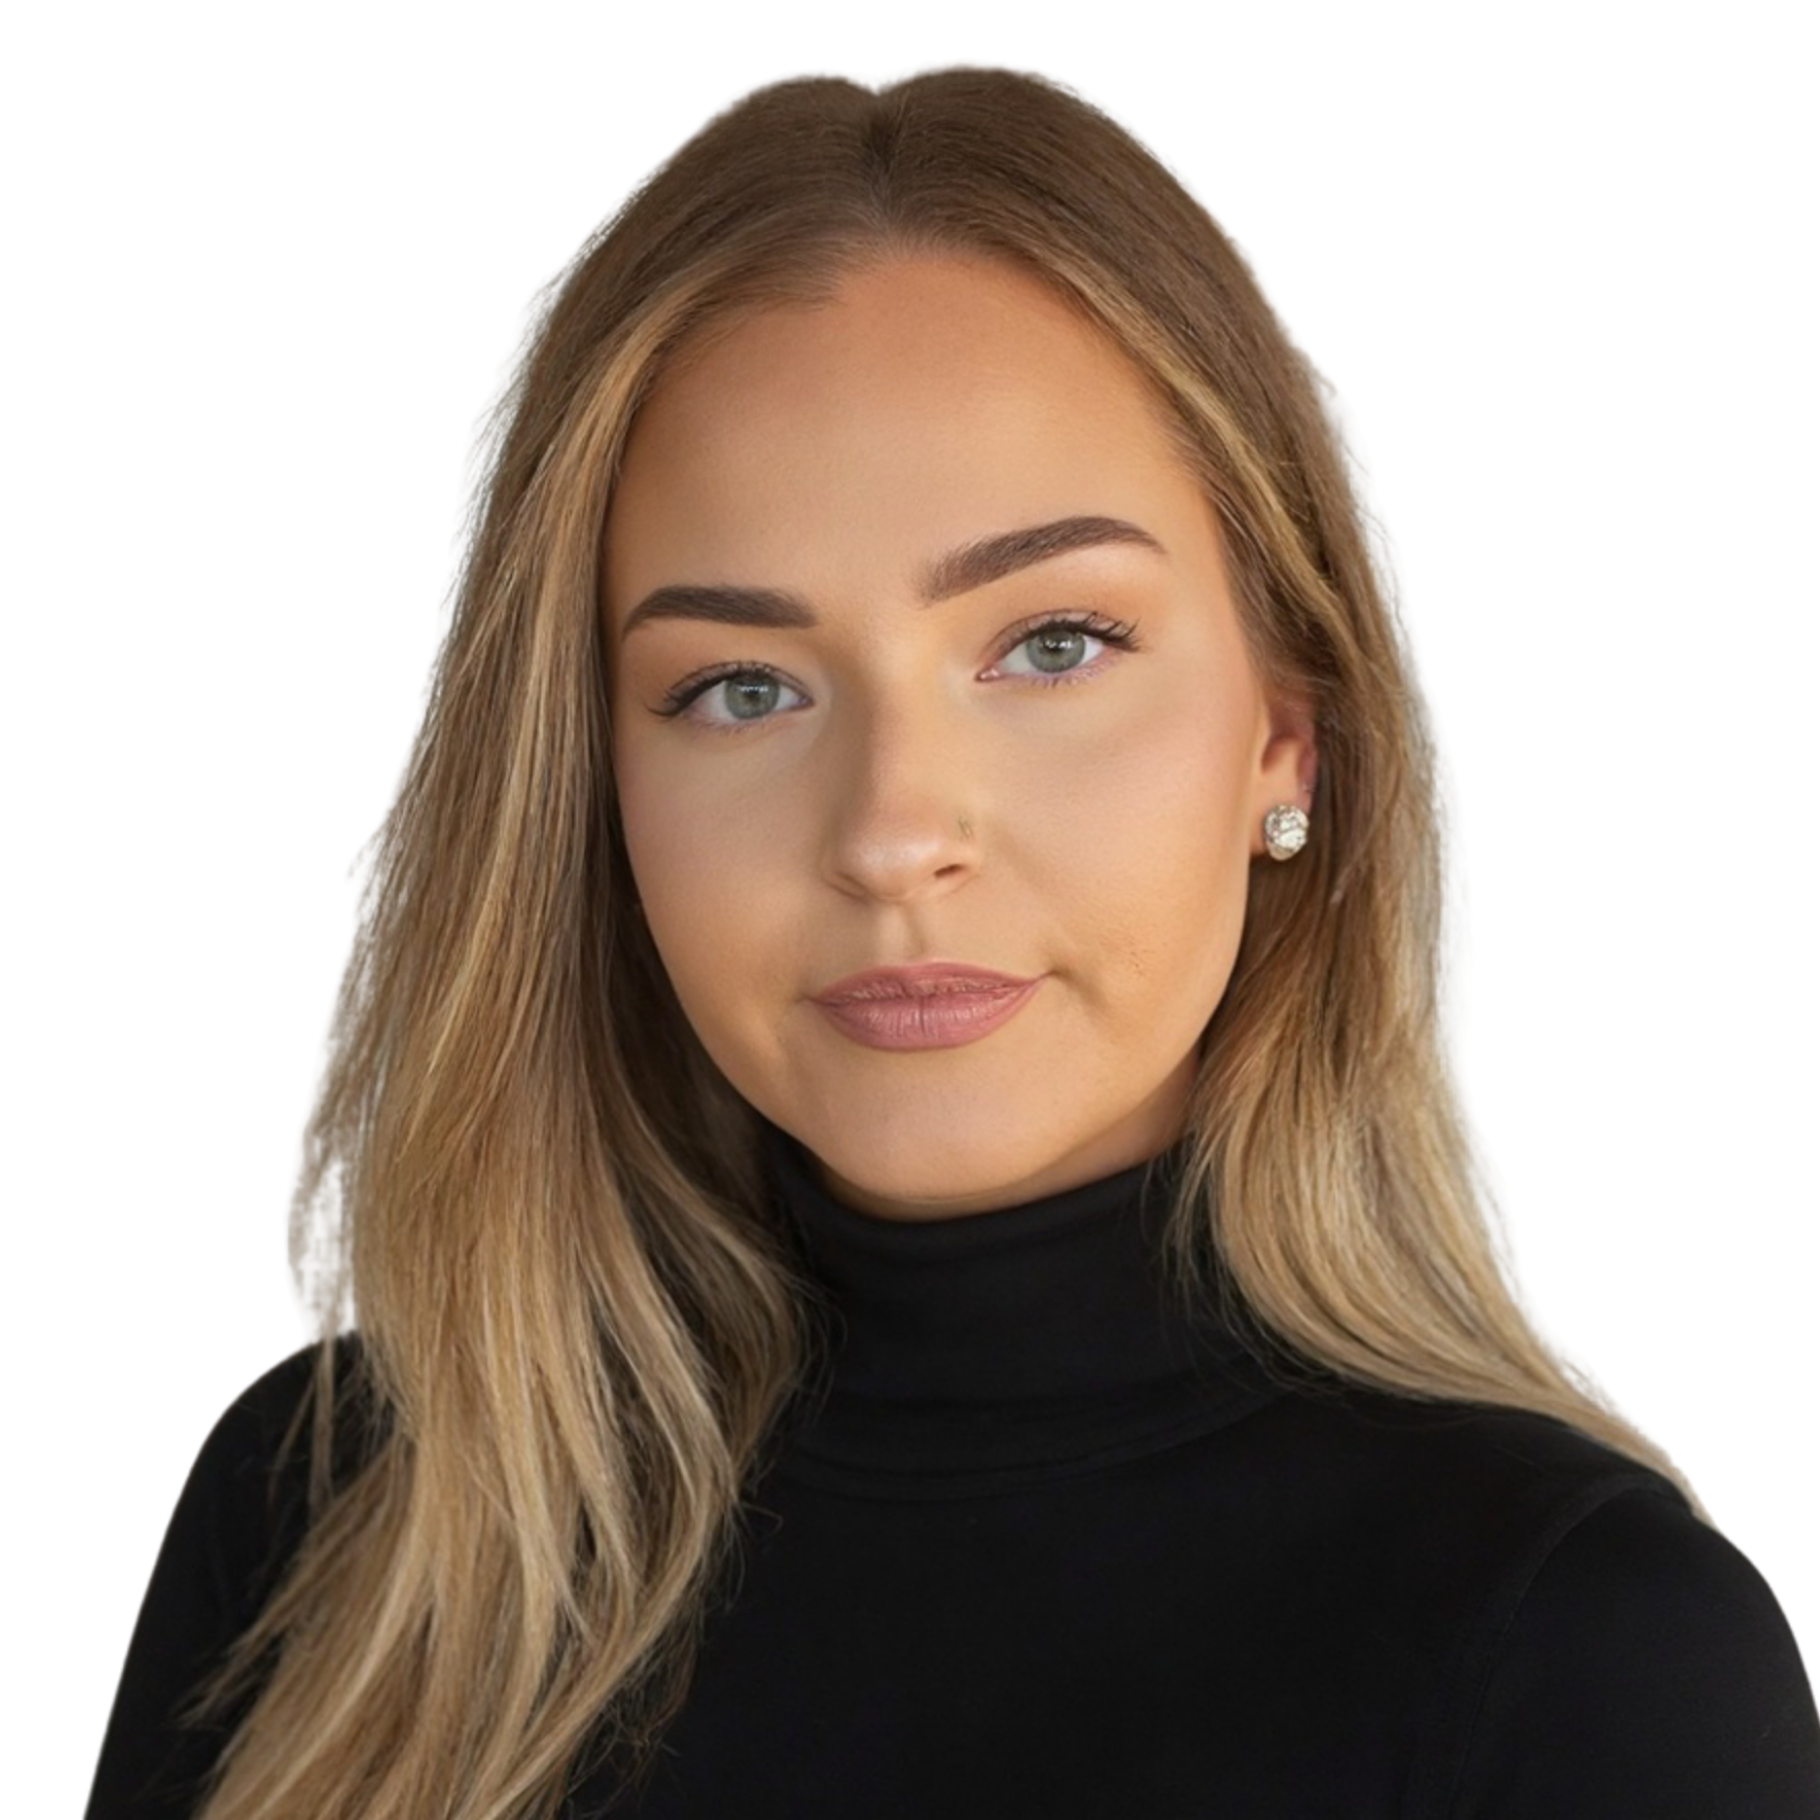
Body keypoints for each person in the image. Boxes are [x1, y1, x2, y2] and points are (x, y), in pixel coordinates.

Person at [86, 66, 1820, 1820]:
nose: (894, 831)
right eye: (741, 689)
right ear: (591, 788)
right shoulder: (338, 1534)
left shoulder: (1589, 1656)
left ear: (1289, 734)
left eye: (1053, 643)